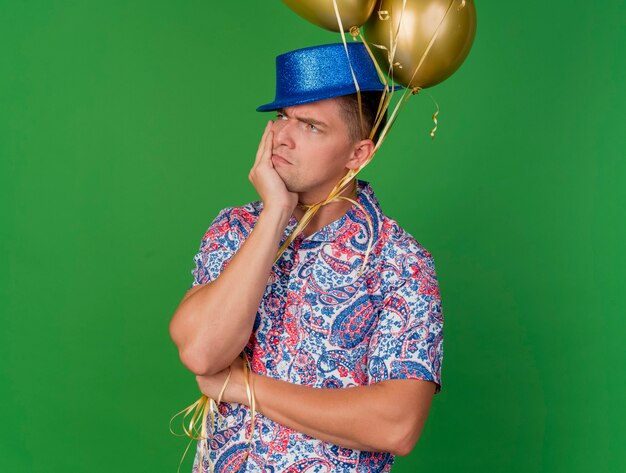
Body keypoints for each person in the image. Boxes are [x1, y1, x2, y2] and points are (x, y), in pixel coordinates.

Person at [169, 42, 444, 473]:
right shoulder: (235, 228)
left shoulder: (398, 262)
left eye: (312, 126)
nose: (283, 136)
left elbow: (396, 425)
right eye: (282, 117)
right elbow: (202, 354)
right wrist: (275, 214)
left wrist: (244, 387)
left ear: (359, 154)